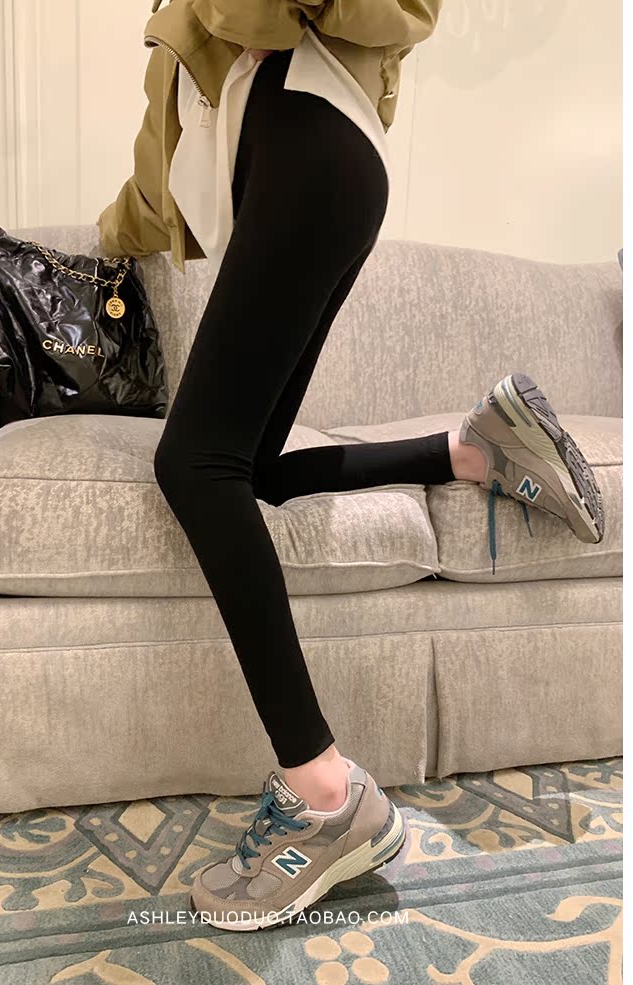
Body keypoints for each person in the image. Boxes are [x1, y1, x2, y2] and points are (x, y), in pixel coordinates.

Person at [98, 0, 604, 932]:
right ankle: (472, 448)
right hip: (318, 163)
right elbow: (158, 171)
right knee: (245, 468)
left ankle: (325, 793)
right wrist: (100, 246)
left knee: (192, 463)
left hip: (308, 146)